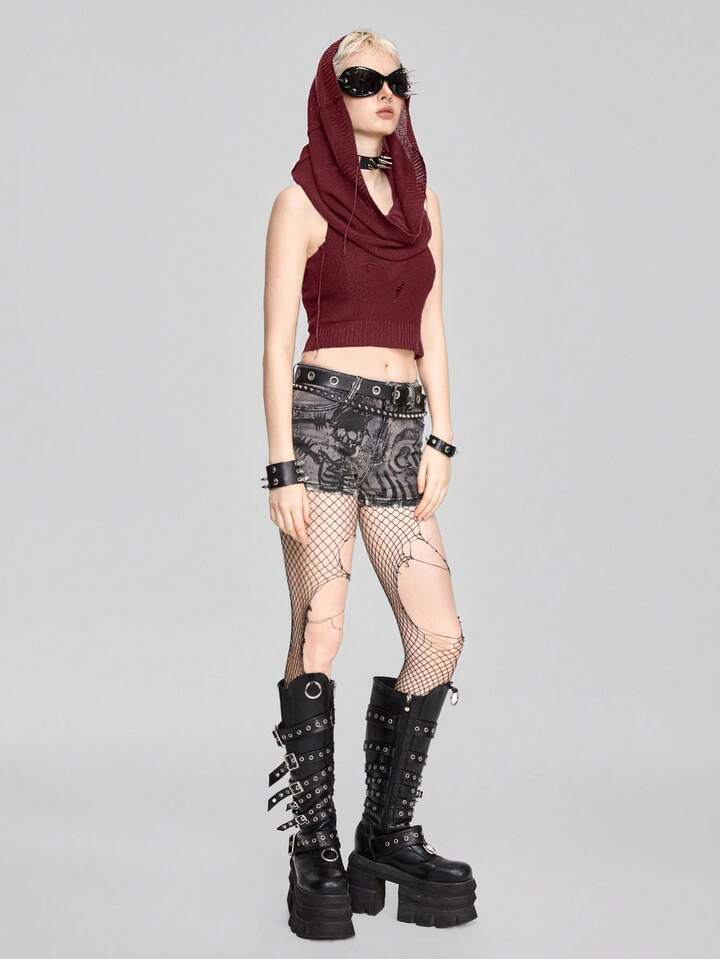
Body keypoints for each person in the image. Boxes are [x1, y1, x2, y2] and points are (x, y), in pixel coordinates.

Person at [262, 31, 476, 939]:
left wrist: (443, 437)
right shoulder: (301, 201)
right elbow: (275, 340)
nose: (385, 92)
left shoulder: (423, 203)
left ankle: (384, 834)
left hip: (398, 428)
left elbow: (433, 326)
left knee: (438, 634)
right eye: (362, 79)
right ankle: (313, 845)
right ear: (331, 93)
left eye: (397, 79)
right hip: (323, 423)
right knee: (322, 626)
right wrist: (280, 464)